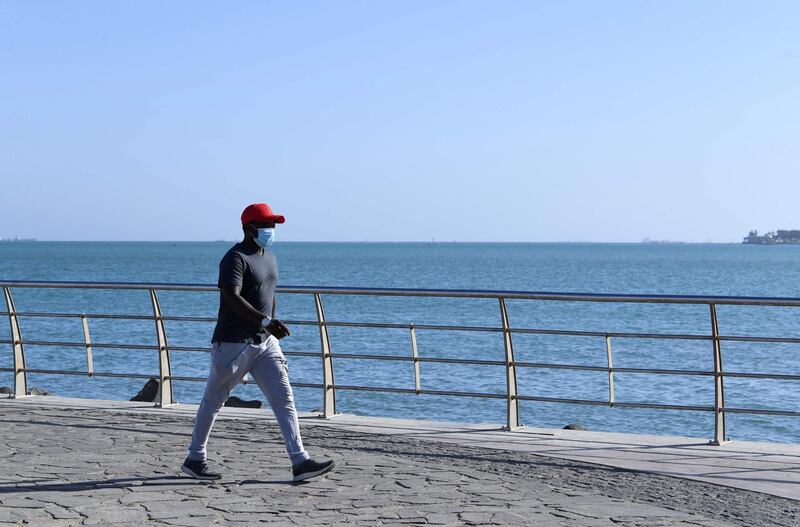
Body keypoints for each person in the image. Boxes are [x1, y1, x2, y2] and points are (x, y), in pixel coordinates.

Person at [181, 202, 334, 482]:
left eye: (273, 225)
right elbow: (231, 296)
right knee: (214, 401)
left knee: (284, 398)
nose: (270, 230)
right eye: (265, 225)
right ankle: (194, 458)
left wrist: (271, 324)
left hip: (265, 343)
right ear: (248, 228)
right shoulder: (235, 258)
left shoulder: (270, 257)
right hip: (233, 343)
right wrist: (264, 321)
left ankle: (300, 461)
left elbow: (269, 292)